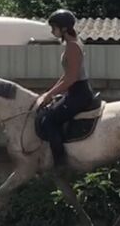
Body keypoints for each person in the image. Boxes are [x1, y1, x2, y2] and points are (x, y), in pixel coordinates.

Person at [37, 9, 94, 168]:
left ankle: (60, 163)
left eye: (53, 27)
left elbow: (72, 78)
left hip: (79, 94)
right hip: (74, 91)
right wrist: (49, 93)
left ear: (63, 28)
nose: (52, 30)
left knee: (49, 121)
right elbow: (66, 76)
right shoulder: (71, 44)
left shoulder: (73, 47)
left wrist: (50, 94)